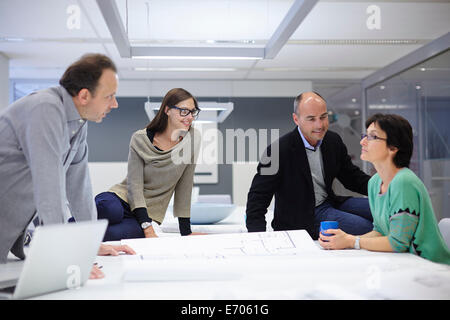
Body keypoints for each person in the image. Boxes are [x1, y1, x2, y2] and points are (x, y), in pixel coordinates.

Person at [0, 53, 135, 277]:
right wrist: (63, 257)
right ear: (84, 96)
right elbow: (49, 188)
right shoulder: (45, 109)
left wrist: (90, 243)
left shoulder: (78, 123)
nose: (115, 104)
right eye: (109, 96)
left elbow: (79, 187)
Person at [319, 113, 450, 265]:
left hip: (431, 269)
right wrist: (345, 240)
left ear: (393, 147)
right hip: (404, 263)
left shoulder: (403, 182)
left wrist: (352, 241)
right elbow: (379, 231)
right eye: (365, 135)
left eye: (372, 137)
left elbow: (397, 243)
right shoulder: (374, 183)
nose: (363, 142)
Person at [246, 91, 373, 239]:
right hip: (302, 217)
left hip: (330, 202)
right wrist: (257, 239)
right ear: (296, 119)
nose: (319, 125)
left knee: (382, 210)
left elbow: (351, 177)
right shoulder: (277, 151)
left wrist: (384, 189)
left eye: (323, 117)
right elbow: (258, 198)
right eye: (311, 119)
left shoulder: (332, 141)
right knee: (366, 227)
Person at [95, 88, 203, 240]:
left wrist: (186, 231)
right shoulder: (140, 139)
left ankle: (74, 233)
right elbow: (135, 185)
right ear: (167, 110)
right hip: (123, 199)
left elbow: (185, 183)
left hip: (147, 214)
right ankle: (64, 227)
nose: (190, 117)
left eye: (193, 112)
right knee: (110, 210)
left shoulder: (193, 138)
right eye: (184, 111)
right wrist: (147, 227)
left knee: (114, 234)